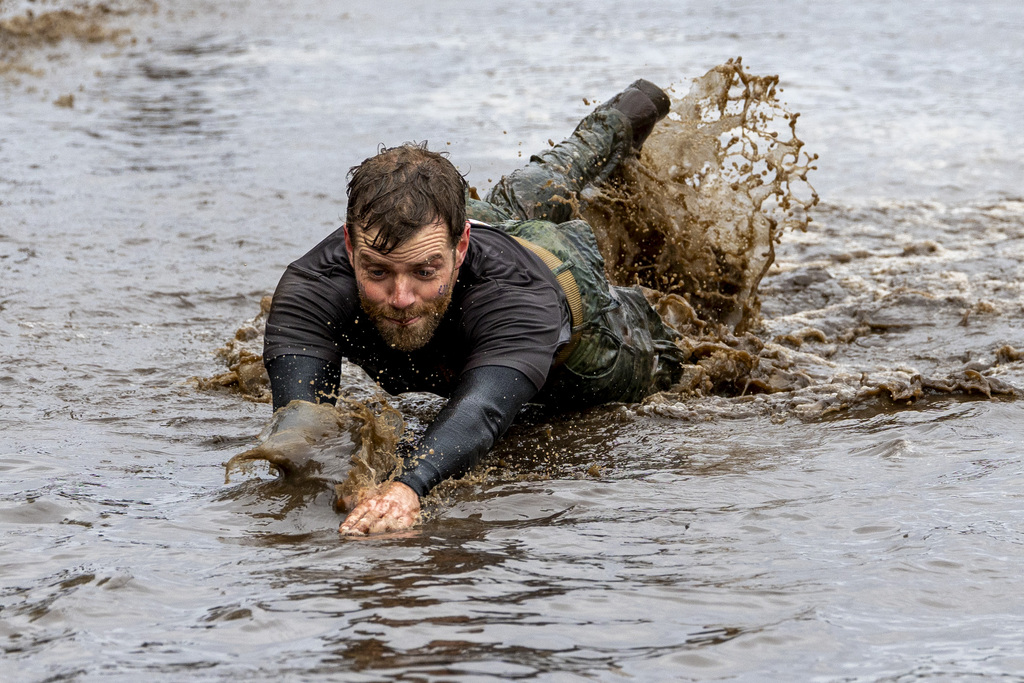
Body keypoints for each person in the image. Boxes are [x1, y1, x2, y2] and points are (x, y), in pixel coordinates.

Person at [263, 79, 686, 535]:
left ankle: (632, 113)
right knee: (539, 182)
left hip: (574, 315)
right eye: (378, 272)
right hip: (484, 227)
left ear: (460, 244)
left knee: (669, 361)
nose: (401, 298)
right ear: (349, 245)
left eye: (425, 272)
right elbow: (303, 424)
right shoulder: (313, 286)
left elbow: (482, 407)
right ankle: (634, 109)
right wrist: (337, 480)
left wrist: (408, 486)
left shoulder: (516, 297)